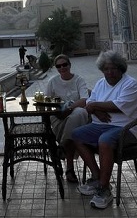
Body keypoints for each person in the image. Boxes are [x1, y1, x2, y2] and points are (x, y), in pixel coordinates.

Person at [71, 50, 137, 210]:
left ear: (121, 69)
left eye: (113, 69)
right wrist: (95, 108)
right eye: (106, 69)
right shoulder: (100, 83)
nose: (109, 72)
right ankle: (98, 178)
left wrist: (94, 106)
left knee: (105, 140)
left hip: (128, 128)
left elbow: (118, 106)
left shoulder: (130, 84)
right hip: (100, 125)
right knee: (77, 135)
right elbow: (90, 102)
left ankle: (104, 189)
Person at [44, 54, 90, 183]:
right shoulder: (53, 82)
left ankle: (63, 146)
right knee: (74, 126)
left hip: (74, 113)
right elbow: (46, 102)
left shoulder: (79, 80)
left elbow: (85, 100)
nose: (62, 68)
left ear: (69, 65)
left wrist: (69, 109)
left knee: (79, 113)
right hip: (58, 117)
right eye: (59, 66)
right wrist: (60, 111)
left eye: (65, 64)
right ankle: (69, 167)